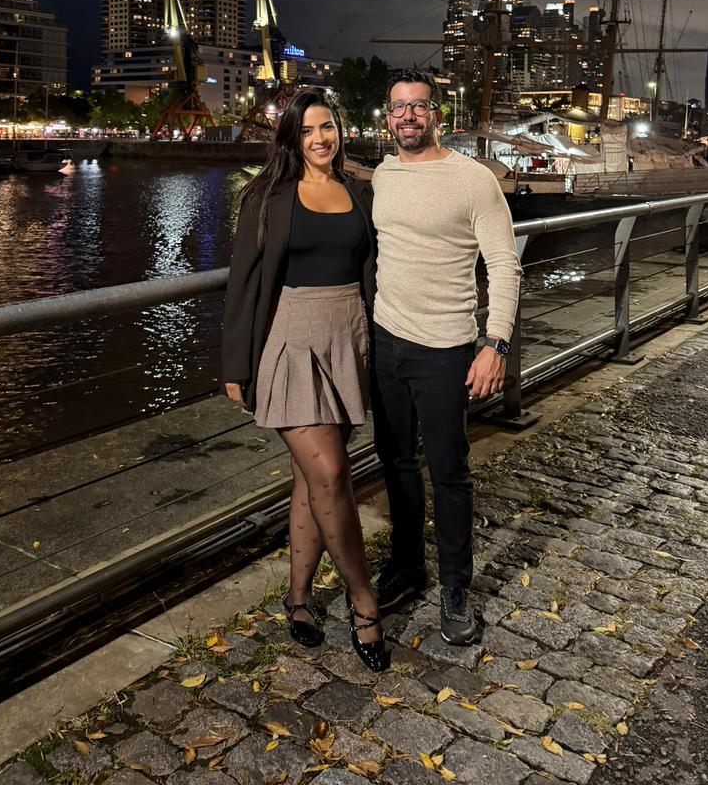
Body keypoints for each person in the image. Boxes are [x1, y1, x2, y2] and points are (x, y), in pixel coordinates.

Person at [221, 89, 389, 672]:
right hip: (289, 337)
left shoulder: (359, 193)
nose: (321, 138)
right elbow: (242, 282)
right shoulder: (267, 198)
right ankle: (363, 600)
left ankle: (298, 597)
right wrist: (235, 366)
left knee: (308, 479)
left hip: (349, 333)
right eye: (308, 130)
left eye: (328, 127)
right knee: (331, 471)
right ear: (291, 139)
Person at [371, 69, 521, 645]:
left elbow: (504, 264)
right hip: (386, 340)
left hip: (445, 346)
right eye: (398, 108)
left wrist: (495, 342)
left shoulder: (471, 179)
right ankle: (408, 565)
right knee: (395, 462)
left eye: (418, 107)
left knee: (450, 472)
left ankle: (457, 585)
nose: (407, 116)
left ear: (438, 115)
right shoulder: (382, 174)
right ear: (388, 117)